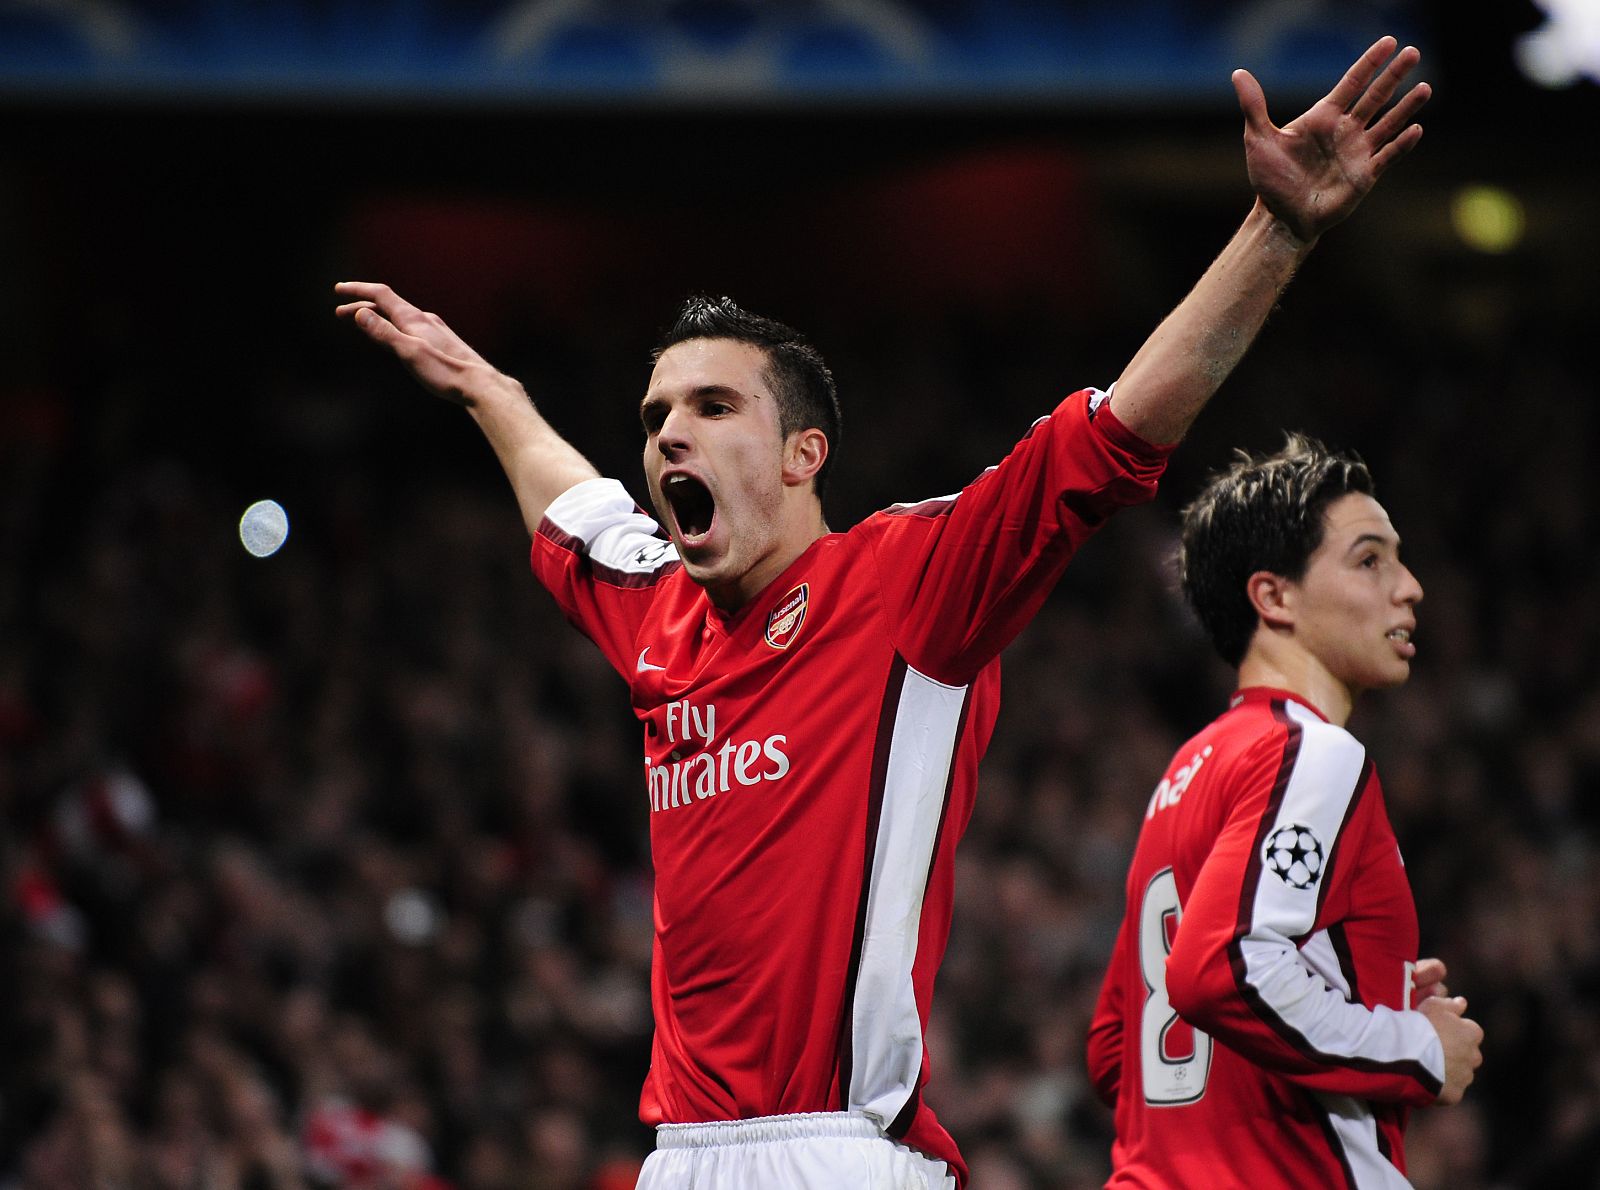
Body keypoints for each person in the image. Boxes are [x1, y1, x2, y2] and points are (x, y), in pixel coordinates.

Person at [336, 37, 1429, 1190]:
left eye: (713, 405)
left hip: (839, 1150)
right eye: (657, 411)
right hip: (676, 1159)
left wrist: (1278, 233)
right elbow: (573, 502)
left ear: (806, 453)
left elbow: (1119, 430)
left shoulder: (910, 580)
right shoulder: (656, 614)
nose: (669, 433)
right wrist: (490, 390)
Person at [1085, 435, 1484, 1187]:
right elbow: (1219, 972)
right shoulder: (1313, 755)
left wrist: (1344, 999)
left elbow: (1118, 1044)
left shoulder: (1185, 771)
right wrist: (1414, 1045)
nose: (1411, 587)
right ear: (1273, 597)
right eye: (1370, 560)